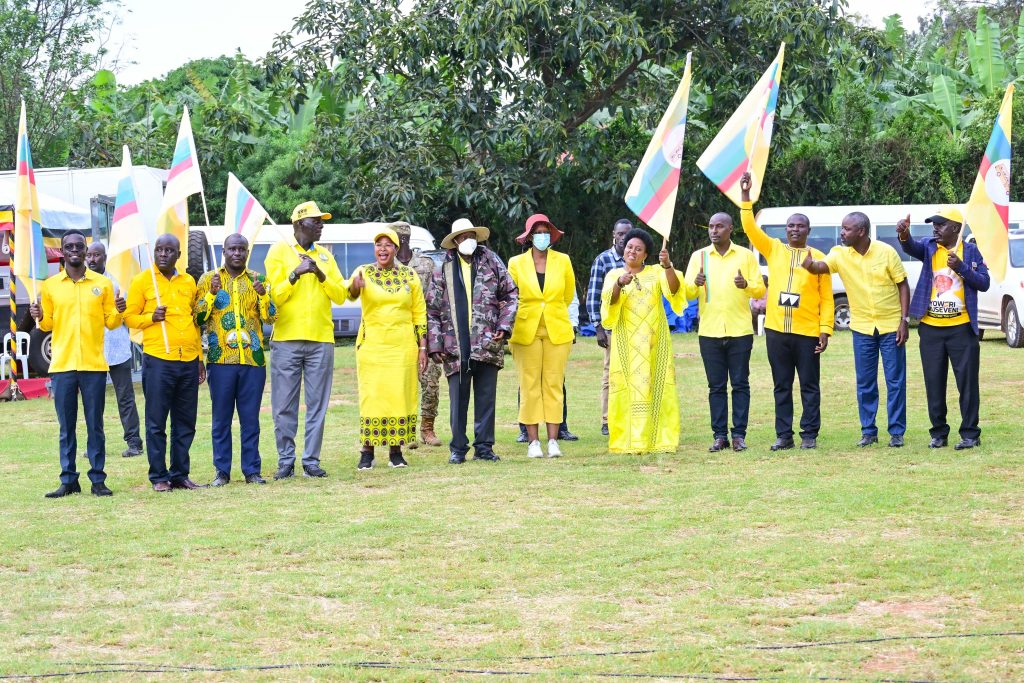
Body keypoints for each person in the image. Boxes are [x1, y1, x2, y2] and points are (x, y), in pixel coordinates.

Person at [739, 172, 834, 450]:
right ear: (785, 230)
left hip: (806, 332)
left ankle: (809, 435)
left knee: (809, 385)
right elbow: (749, 228)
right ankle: (784, 435)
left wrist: (825, 330)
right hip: (777, 332)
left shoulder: (818, 259)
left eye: (800, 226)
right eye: (790, 226)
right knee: (781, 385)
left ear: (808, 231)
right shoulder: (774, 249)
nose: (795, 230)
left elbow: (827, 299)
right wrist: (746, 195)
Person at [802, 212, 910, 447]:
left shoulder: (886, 252)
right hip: (861, 328)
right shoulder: (839, 254)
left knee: (895, 381)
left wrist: (904, 320)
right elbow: (822, 267)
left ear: (861, 231)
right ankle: (868, 431)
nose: (842, 232)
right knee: (865, 382)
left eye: (846, 229)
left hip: (891, 326)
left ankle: (896, 432)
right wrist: (810, 265)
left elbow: (903, 285)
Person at [31, 230, 125, 497]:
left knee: (95, 424)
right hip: (62, 366)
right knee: (66, 426)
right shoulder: (50, 286)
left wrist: (120, 309)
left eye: (79, 246)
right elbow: (47, 324)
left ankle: (98, 479)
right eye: (69, 246)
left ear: (86, 251)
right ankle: (68, 479)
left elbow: (111, 322)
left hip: (93, 365)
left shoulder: (103, 284)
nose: (74, 250)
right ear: (62, 251)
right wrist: (38, 316)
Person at [264, 201, 348, 479]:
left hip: (321, 339)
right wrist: (294, 274)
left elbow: (340, 295)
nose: (322, 226)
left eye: (322, 221)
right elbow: (273, 297)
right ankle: (286, 460)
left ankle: (311, 460)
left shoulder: (325, 256)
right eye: (316, 221)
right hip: (286, 339)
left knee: (317, 404)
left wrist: (319, 273)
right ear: (300, 224)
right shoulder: (278, 252)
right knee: (284, 405)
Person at [426, 218, 518, 464]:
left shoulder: (492, 261)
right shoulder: (442, 268)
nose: (467, 240)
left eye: (471, 236)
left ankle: (484, 447)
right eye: (462, 237)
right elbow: (432, 309)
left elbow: (510, 293)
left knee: (486, 398)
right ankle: (458, 448)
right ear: (454, 241)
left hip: (488, 342)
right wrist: (435, 345)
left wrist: (504, 326)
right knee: (458, 400)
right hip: (454, 345)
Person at [897, 206, 990, 449]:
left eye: (941, 224)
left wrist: (961, 267)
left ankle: (970, 434)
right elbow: (910, 247)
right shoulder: (929, 247)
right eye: (934, 224)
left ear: (956, 229)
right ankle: (938, 433)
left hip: (962, 329)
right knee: (934, 383)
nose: (935, 229)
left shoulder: (970, 252)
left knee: (967, 384)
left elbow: (984, 283)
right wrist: (904, 235)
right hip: (931, 329)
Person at [124, 234, 205, 492]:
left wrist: (200, 359)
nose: (163, 254)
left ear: (178, 255)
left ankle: (180, 474)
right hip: (159, 360)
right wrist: (151, 317)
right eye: (159, 249)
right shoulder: (142, 281)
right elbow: (129, 317)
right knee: (157, 421)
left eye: (169, 250)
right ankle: (159, 476)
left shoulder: (189, 281)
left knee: (186, 421)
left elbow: (195, 321)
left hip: (188, 359)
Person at [195, 234, 278, 486]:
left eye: (242, 249)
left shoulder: (258, 279)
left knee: (250, 419)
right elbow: (198, 318)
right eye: (232, 249)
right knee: (221, 419)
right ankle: (222, 471)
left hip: (252, 361)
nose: (237, 254)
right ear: (224, 250)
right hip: (221, 361)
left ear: (247, 251)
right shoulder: (209, 279)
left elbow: (271, 318)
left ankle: (252, 471)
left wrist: (263, 296)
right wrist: (211, 294)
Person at [683, 212, 766, 452]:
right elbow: (687, 294)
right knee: (716, 386)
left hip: (739, 331)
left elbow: (760, 290)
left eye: (719, 226)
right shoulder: (699, 257)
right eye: (710, 226)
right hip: (709, 331)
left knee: (740, 384)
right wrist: (695, 284)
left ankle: (739, 435)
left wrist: (746, 285)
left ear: (730, 229)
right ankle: (719, 435)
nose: (714, 230)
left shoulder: (745, 255)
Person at [600, 228, 686, 453]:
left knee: (656, 386)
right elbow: (608, 304)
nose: (633, 252)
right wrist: (620, 283)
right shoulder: (613, 274)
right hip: (625, 344)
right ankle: (629, 440)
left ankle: (659, 440)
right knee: (629, 388)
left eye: (638, 249)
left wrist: (667, 266)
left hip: (654, 342)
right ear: (623, 249)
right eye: (630, 247)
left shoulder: (657, 272)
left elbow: (675, 291)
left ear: (646, 255)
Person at [348, 227, 427, 469]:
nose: (383, 249)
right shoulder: (364, 271)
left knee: (399, 396)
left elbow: (419, 312)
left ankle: (396, 452)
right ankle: (366, 452)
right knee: (372, 398)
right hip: (373, 347)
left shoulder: (410, 275)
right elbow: (349, 295)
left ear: (395, 248)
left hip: (402, 346)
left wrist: (423, 347)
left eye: (388, 244)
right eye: (378, 245)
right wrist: (355, 286)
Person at [508, 213, 575, 458]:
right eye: (537, 232)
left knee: (554, 384)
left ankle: (554, 440)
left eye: (546, 232)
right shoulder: (515, 263)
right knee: (529, 385)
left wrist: (551, 309)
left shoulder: (563, 260)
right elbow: (511, 296)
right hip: (526, 329)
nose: (542, 236)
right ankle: (533, 441)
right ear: (529, 237)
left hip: (557, 328)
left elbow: (568, 295)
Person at [85, 241, 144, 458]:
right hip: (92, 351)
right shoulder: (82, 284)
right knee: (93, 400)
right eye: (89, 255)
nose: (92, 259)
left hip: (117, 350)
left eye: (96, 255)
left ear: (104, 257)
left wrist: (123, 308)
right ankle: (94, 444)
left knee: (125, 397)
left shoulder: (117, 284)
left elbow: (127, 315)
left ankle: (134, 442)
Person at [393, 221, 443, 448]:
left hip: (427, 332)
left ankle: (427, 428)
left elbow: (439, 300)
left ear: (404, 239)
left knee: (430, 382)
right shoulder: (385, 266)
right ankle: (406, 431)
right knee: (401, 384)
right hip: (398, 332)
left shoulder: (426, 264)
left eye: (397, 239)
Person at [588, 218, 631, 436]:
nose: (624, 238)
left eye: (628, 234)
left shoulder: (636, 259)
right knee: (610, 374)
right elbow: (594, 295)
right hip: (611, 327)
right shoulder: (604, 260)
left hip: (634, 328)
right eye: (621, 234)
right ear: (614, 234)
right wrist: (598, 327)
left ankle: (630, 415)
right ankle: (607, 419)